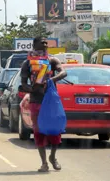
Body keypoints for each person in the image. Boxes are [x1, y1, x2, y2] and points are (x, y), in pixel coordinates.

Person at [19, 36, 67, 172]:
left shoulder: (52, 60)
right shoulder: (27, 63)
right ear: (34, 45)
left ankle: (53, 157)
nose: (45, 44)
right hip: (35, 101)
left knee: (55, 130)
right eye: (42, 42)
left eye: (46, 43)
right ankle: (44, 163)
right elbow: (23, 83)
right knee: (39, 132)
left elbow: (63, 72)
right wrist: (32, 89)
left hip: (51, 101)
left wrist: (50, 80)